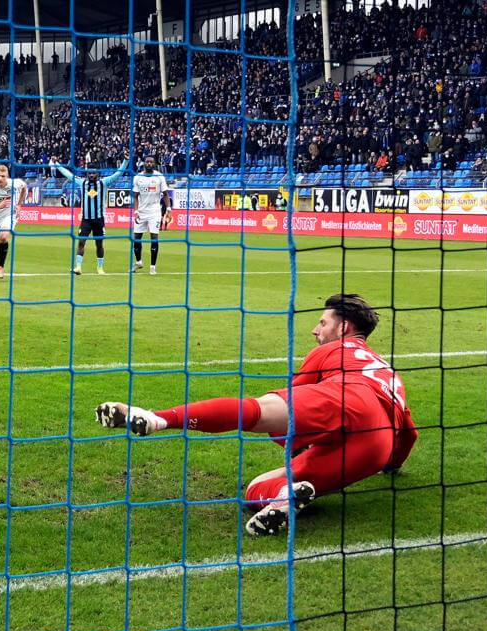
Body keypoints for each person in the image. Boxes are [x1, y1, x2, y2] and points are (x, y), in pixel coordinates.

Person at [95, 294, 418, 536]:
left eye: (322, 322)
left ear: (344, 327)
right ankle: (284, 496)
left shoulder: (333, 350)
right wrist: (391, 465)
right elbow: (410, 434)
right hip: (378, 445)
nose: (315, 330)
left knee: (258, 410)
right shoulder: (389, 372)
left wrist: (287, 442)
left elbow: (285, 416)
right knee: (258, 488)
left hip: (347, 398)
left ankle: (158, 418)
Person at [51, 153, 129, 275]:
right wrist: (56, 164)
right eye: (90, 173)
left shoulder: (104, 182)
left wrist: (125, 161)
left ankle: (100, 268)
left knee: (99, 244)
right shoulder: (82, 183)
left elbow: (118, 173)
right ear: (87, 174)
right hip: (86, 220)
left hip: (99, 219)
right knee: (81, 242)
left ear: (97, 173)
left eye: (94, 173)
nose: (92, 175)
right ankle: (78, 267)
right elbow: (68, 175)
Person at [130, 155, 171, 275]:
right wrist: (136, 211)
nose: (149, 164)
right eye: (147, 162)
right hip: (141, 212)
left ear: (154, 164)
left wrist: (168, 208)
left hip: (154, 212)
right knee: (136, 239)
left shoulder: (159, 177)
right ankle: (138, 262)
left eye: (151, 162)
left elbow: (165, 194)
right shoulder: (138, 177)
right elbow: (136, 196)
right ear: (144, 163)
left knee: (154, 238)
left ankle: (153, 267)